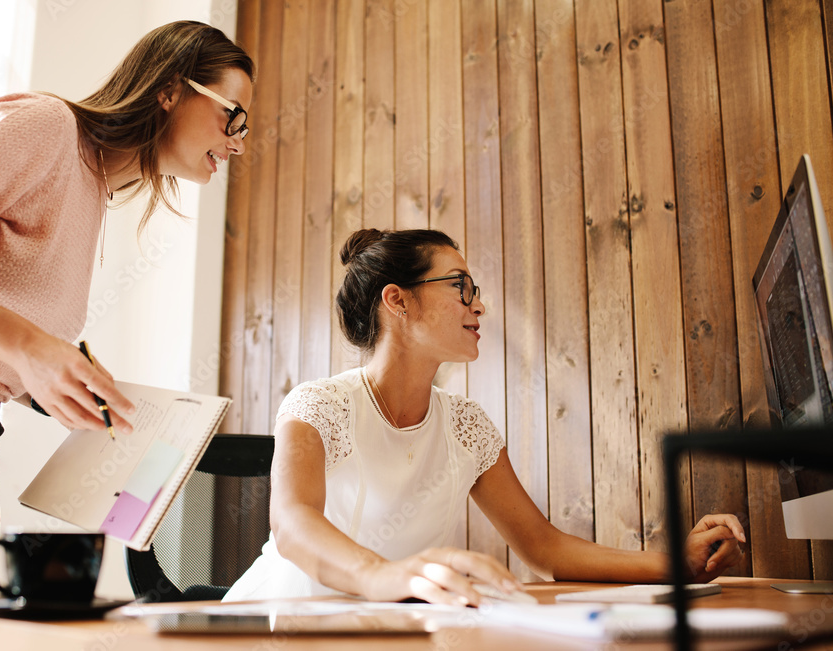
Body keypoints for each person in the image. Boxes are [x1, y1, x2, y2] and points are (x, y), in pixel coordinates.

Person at [0, 21, 253, 650]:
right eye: (233, 117)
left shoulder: (90, 190)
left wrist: (65, 385)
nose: (239, 144)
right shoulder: (46, 127)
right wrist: (31, 348)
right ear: (170, 90)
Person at [224, 228, 745, 606]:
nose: (478, 306)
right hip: (280, 626)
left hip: (395, 632)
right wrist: (387, 577)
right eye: (461, 286)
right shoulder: (318, 405)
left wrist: (671, 564)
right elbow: (292, 524)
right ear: (397, 300)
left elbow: (543, 548)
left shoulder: (466, 427)